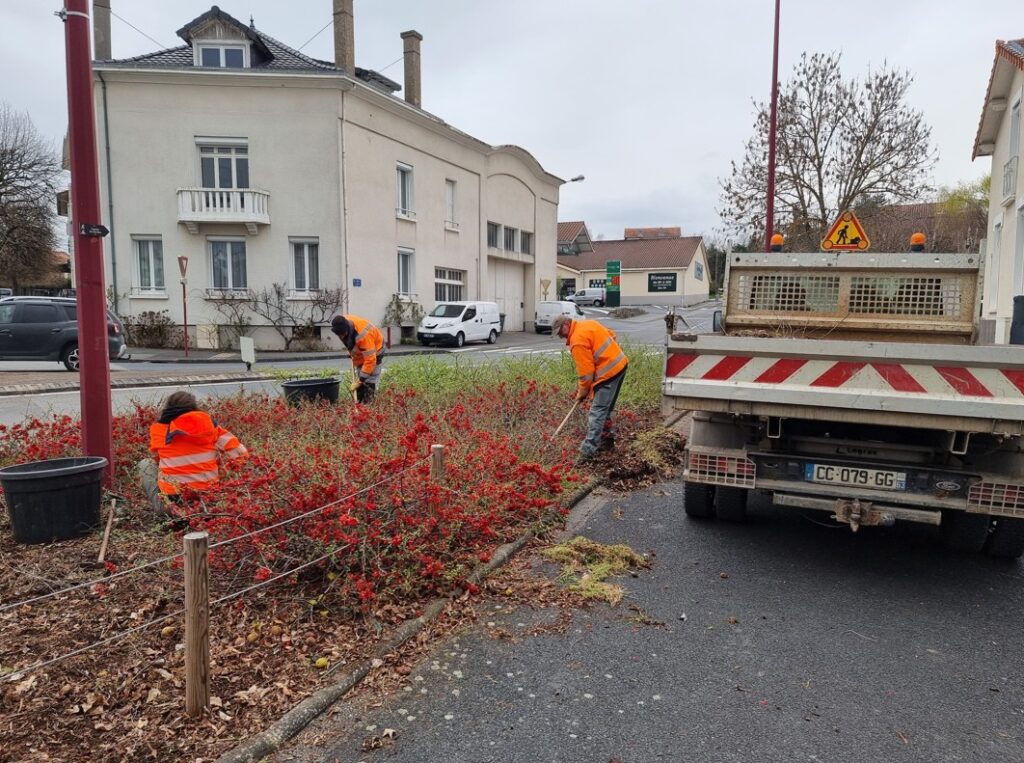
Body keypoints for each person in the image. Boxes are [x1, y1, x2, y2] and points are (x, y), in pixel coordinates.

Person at [552, 313, 629, 461]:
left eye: (560, 332)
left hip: (608, 373)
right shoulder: (589, 324)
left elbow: (586, 374)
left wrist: (583, 392)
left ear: (566, 325)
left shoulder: (577, 341)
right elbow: (611, 335)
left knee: (597, 411)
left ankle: (588, 451)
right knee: (605, 409)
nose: (560, 337)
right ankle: (607, 442)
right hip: (620, 365)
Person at [148, 391, 248, 498]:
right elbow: (241, 454)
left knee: (146, 463)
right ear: (194, 406)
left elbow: (158, 460)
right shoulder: (210, 427)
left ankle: (161, 505)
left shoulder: (157, 430)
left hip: (173, 497)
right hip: (208, 494)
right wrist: (223, 473)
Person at [331, 314, 385, 403]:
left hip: (375, 351)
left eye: (343, 334)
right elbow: (350, 341)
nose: (342, 337)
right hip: (363, 351)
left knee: (369, 382)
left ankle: (369, 405)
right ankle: (360, 403)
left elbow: (370, 360)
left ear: (347, 328)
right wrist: (351, 352)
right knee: (361, 383)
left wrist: (360, 380)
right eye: (339, 335)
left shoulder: (363, 335)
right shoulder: (342, 322)